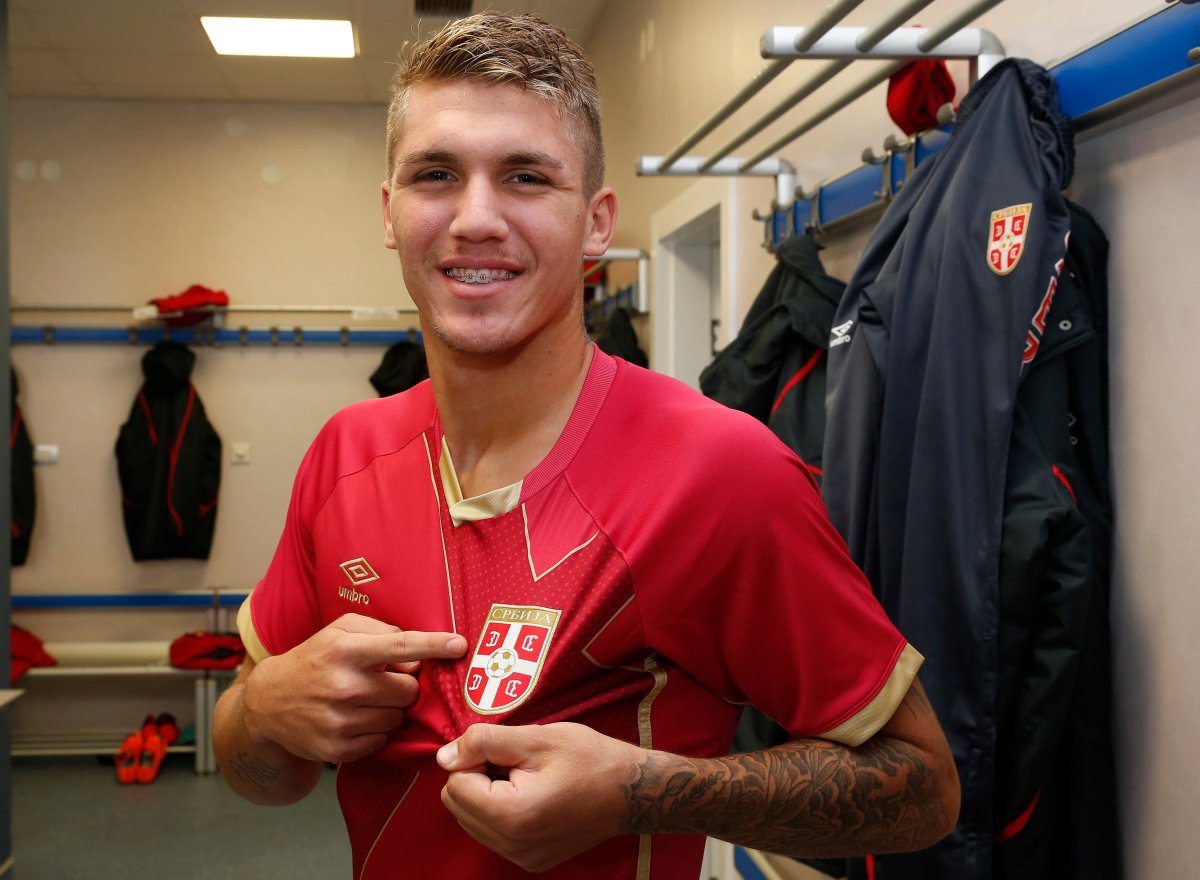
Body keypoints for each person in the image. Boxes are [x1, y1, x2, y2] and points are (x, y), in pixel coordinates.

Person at [211, 12, 960, 879]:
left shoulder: (721, 471)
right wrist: (262, 709)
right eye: (436, 174)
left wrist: (643, 792)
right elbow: (264, 777)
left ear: (597, 223)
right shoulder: (346, 454)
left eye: (526, 177)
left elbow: (923, 790)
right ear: (390, 212)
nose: (475, 218)